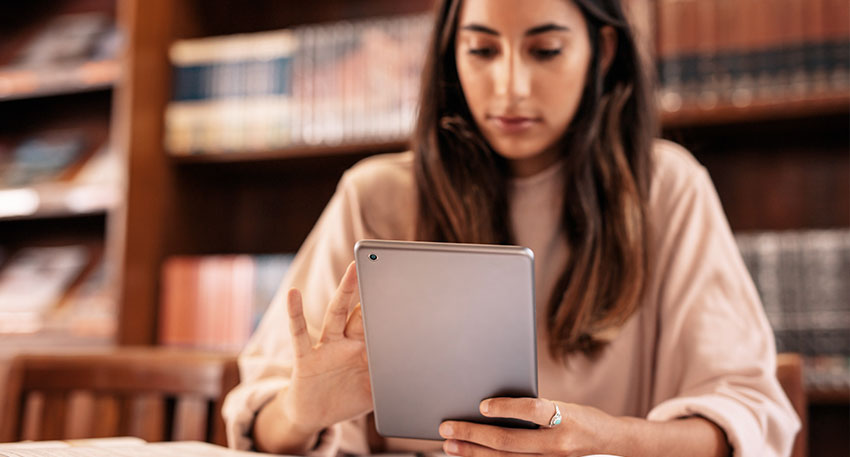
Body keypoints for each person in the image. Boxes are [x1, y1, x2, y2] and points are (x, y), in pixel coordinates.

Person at [223, 0, 800, 455]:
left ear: (601, 52)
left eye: (545, 50)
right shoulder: (374, 195)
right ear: (453, 52)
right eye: (481, 50)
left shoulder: (667, 189)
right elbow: (265, 426)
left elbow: (744, 422)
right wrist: (301, 411)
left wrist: (604, 440)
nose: (510, 88)